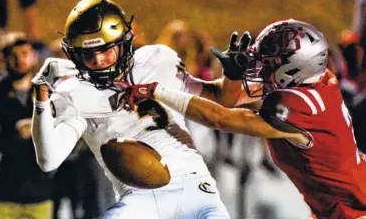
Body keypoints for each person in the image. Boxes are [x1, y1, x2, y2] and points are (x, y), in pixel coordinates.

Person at [28, 0, 290, 218]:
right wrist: (41, 100)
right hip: (139, 200)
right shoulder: (74, 92)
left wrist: (232, 76)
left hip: (194, 188)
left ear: (123, 43)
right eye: (87, 54)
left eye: (105, 50)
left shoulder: (155, 61)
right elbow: (49, 160)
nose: (98, 61)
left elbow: (222, 98)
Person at [127, 19, 366, 219]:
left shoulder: (299, 107)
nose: (260, 67)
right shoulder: (309, 81)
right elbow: (223, 98)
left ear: (292, 70)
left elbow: (219, 117)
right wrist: (231, 76)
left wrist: (157, 91)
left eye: (269, 62)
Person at [0, 37, 54, 219]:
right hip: (0, 197)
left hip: (40, 197)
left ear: (34, 56)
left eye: (24, 54)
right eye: (12, 56)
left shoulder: (50, 96)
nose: (20, 60)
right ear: (3, 60)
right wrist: (14, 137)